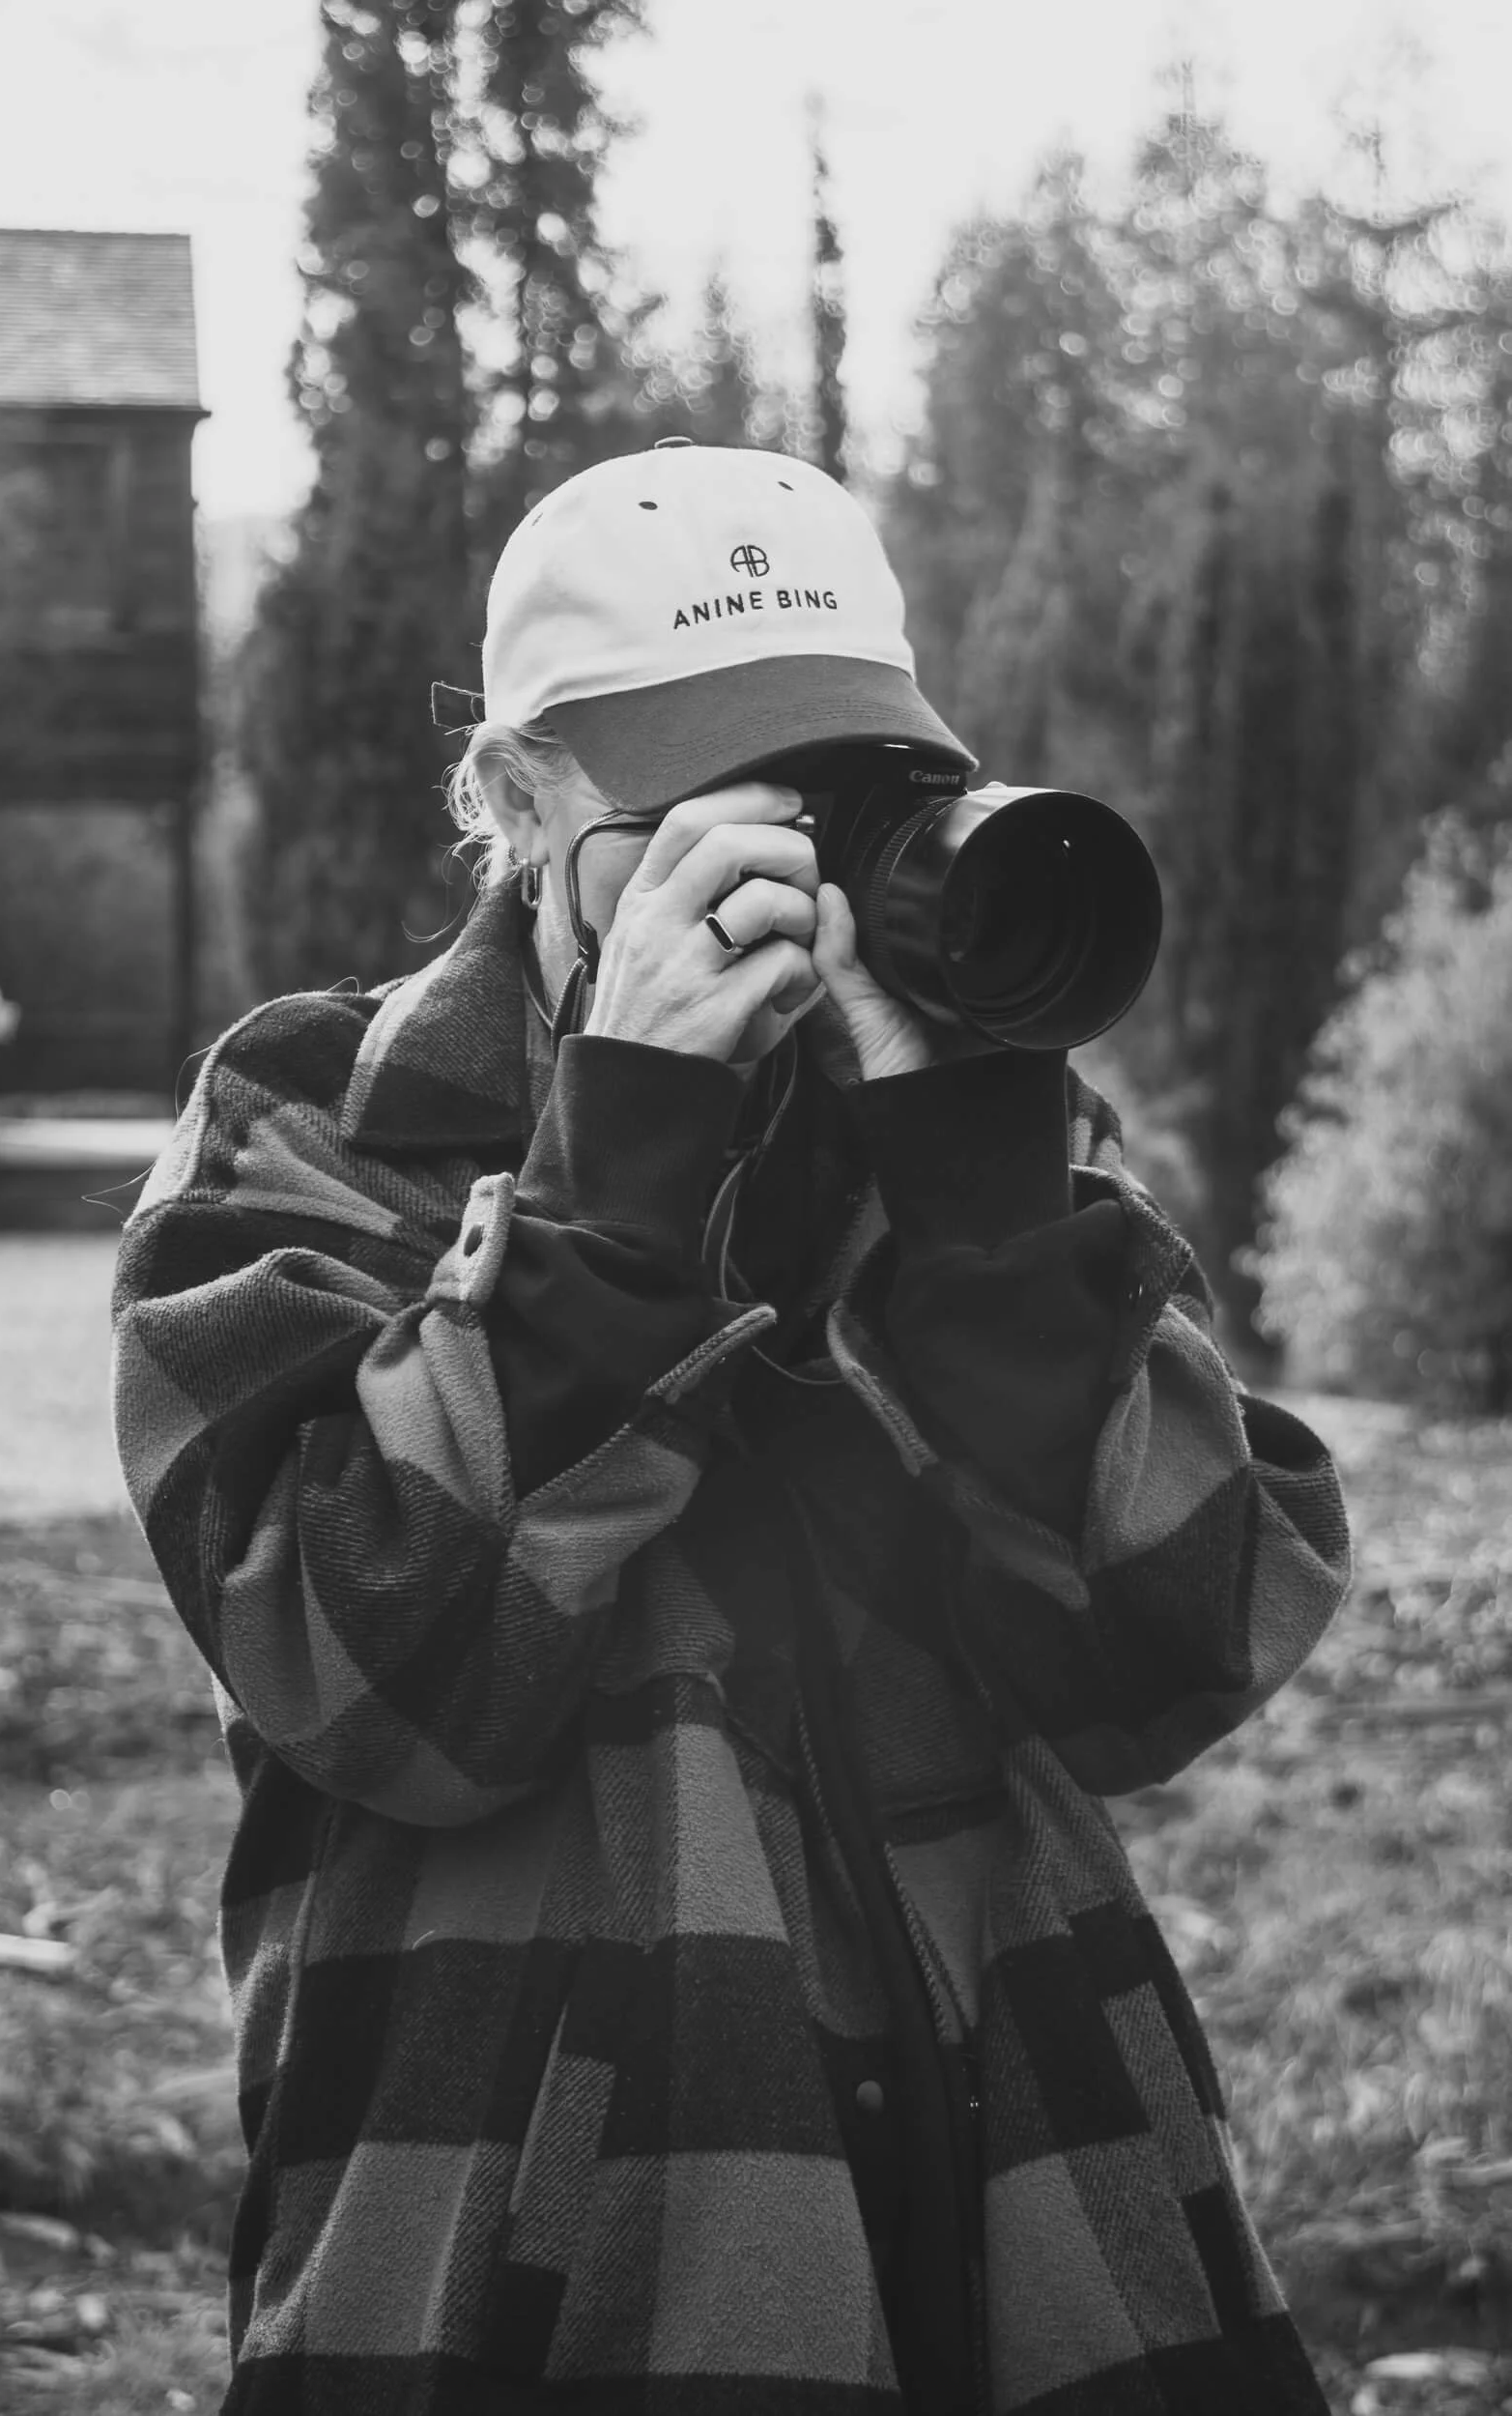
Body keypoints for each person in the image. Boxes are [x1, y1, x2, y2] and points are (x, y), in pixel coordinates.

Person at [112, 441, 1351, 2415]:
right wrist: (611, 1196)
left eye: (851, 802)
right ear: (518, 800)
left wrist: (985, 1220)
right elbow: (362, 1673)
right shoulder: (321, 1117)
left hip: (1032, 2186)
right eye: (709, 804)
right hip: (529, 2215)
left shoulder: (962, 1127)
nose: (793, 870)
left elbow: (1171, 1648)